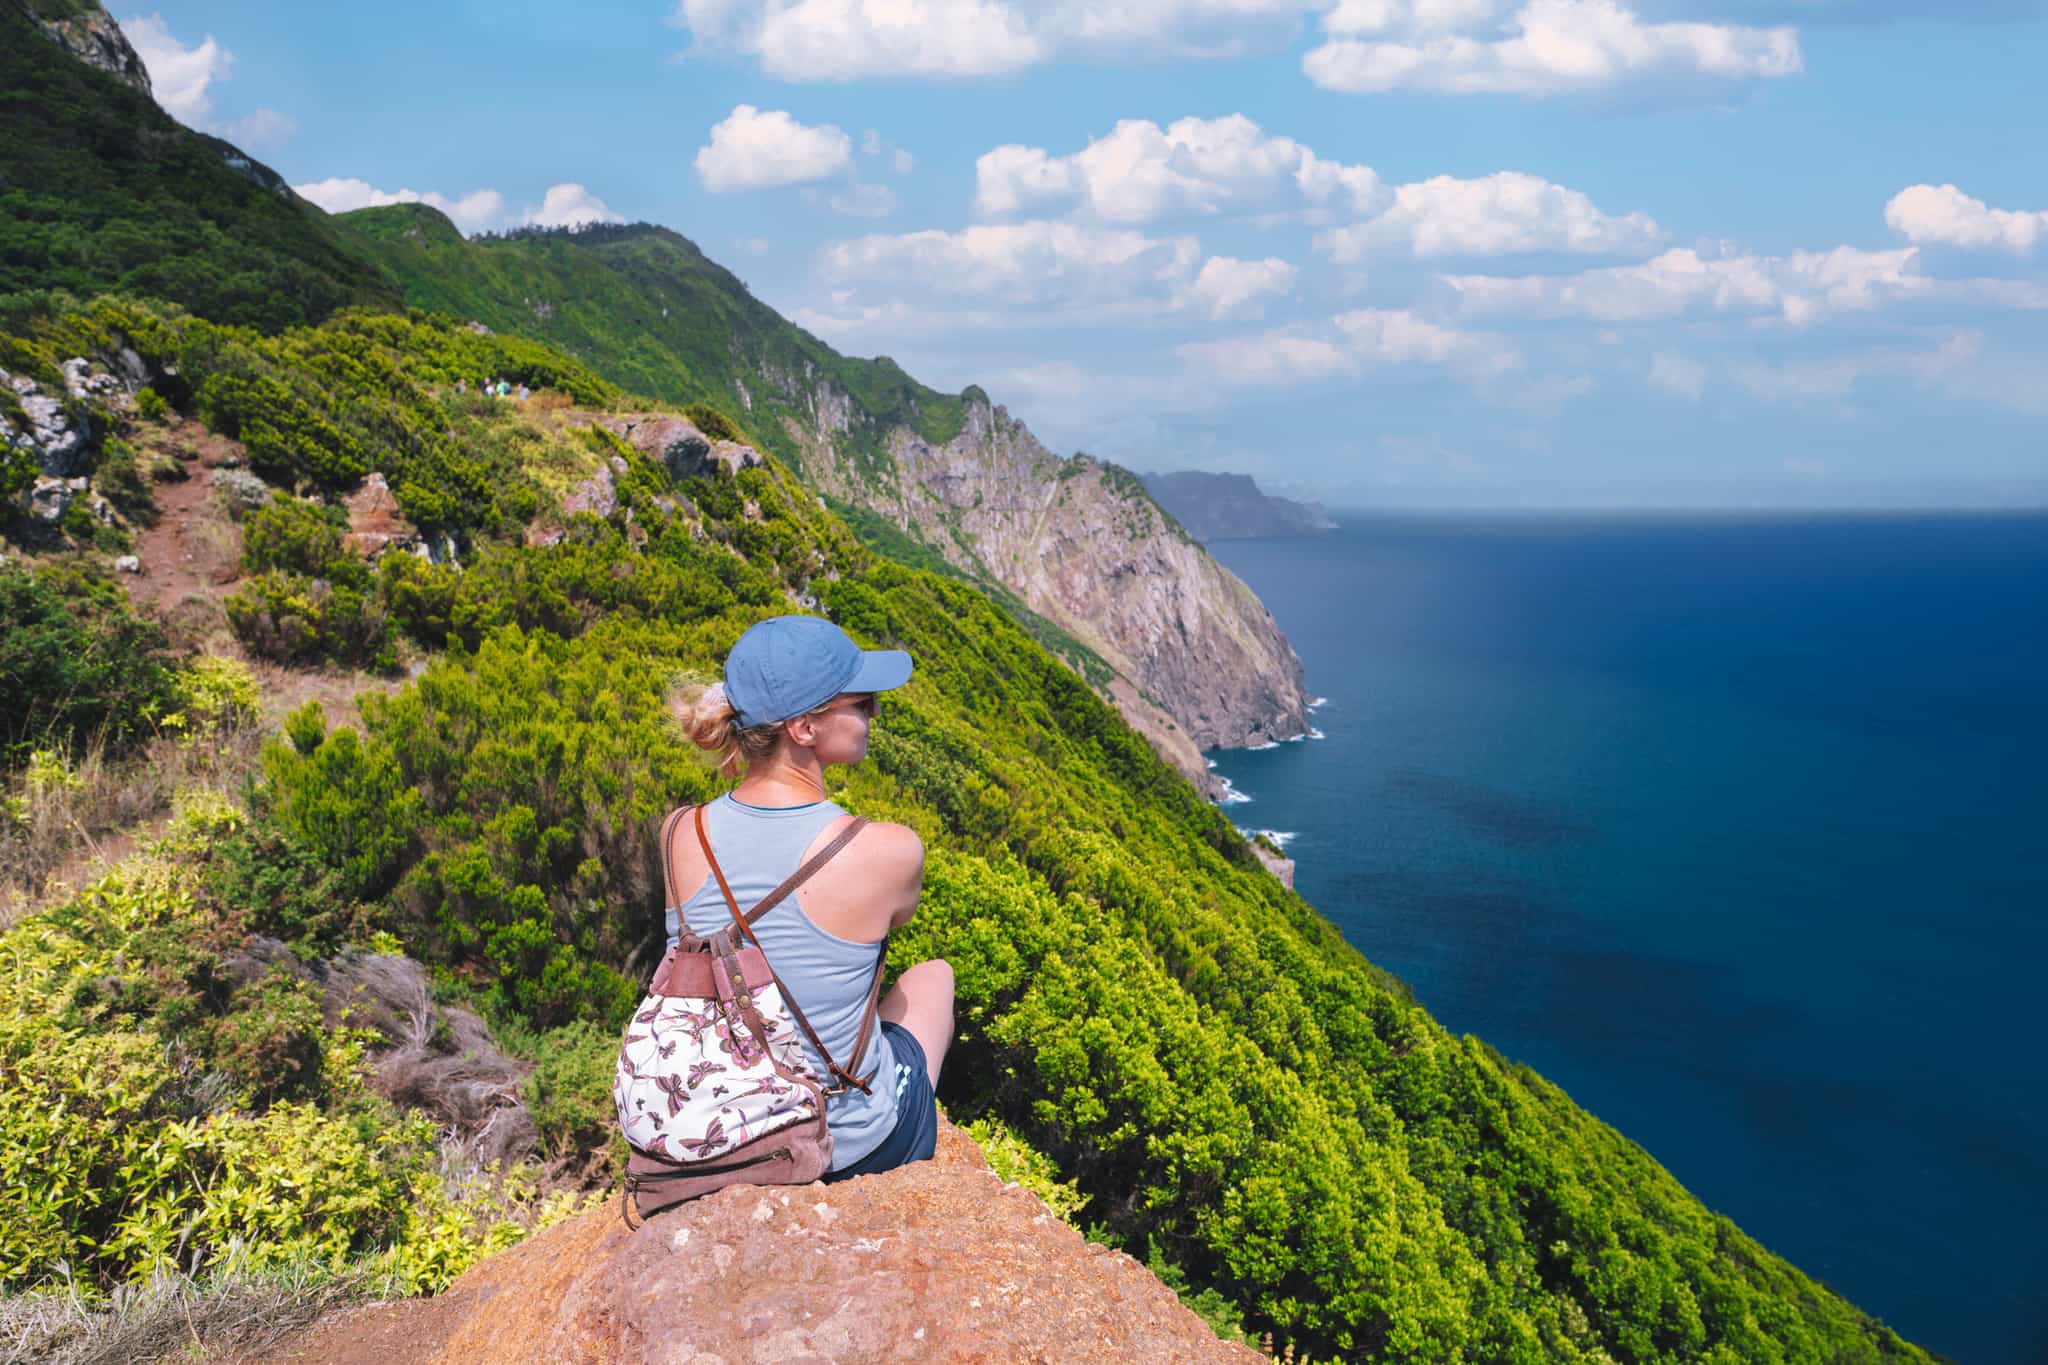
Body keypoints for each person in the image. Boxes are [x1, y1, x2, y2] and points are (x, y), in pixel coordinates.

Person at [667, 615, 952, 1180]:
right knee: (933, 977)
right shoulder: (890, 850)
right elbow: (892, 923)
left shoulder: (680, 831)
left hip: (715, 1134)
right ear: (802, 727)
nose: (874, 713)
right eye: (862, 701)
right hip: (838, 1150)